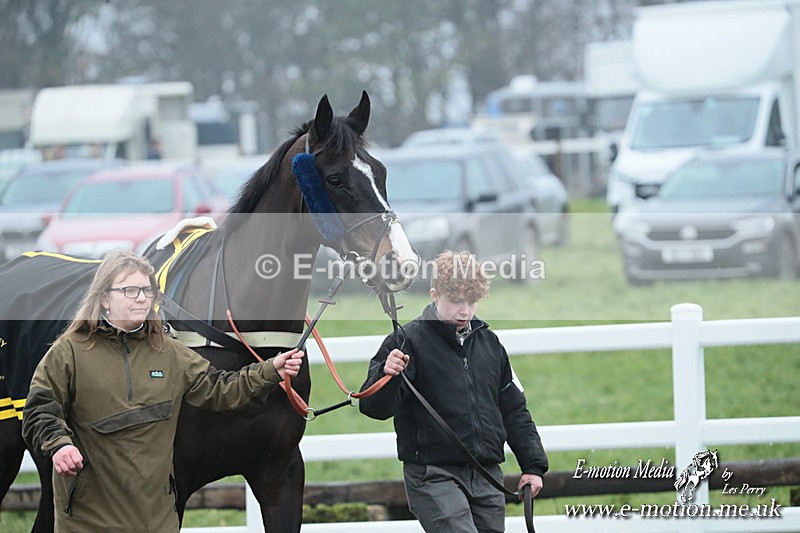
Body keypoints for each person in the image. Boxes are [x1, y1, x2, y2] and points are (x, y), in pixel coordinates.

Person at [22, 250, 305, 532]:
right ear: (104, 298)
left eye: (147, 290)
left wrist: (271, 370)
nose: (142, 298)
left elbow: (219, 389)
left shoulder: (169, 352)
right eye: (130, 290)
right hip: (89, 521)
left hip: (155, 521)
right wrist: (59, 445)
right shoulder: (68, 352)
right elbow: (39, 409)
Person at [359, 250, 548, 533]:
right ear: (435, 294)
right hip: (433, 475)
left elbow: (514, 408)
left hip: (486, 474)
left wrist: (533, 465)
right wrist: (388, 375)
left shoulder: (490, 344)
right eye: (456, 301)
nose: (465, 311)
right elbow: (373, 408)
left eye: (472, 301)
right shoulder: (406, 341)